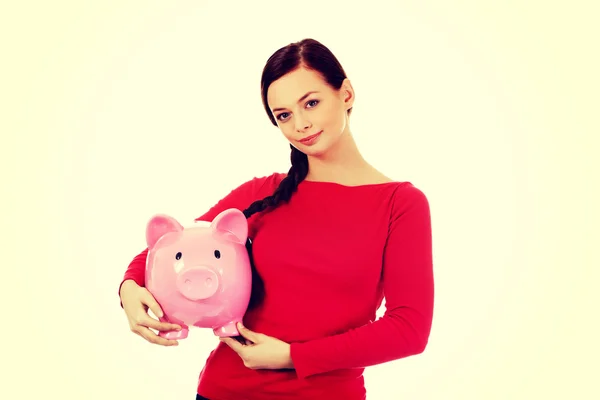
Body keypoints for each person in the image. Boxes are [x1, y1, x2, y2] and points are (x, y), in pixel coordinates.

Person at [118, 38, 434, 400]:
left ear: (346, 94)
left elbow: (409, 330)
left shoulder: (401, 204)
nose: (300, 124)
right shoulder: (262, 193)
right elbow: (173, 247)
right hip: (226, 390)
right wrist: (128, 288)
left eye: (311, 103)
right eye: (284, 115)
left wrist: (292, 357)